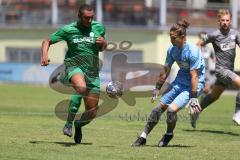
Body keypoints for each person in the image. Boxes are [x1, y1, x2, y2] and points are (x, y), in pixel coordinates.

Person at [131, 20, 205, 147]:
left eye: (173, 37)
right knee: (157, 109)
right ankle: (143, 137)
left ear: (183, 37)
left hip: (193, 85)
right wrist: (157, 88)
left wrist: (193, 97)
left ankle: (168, 134)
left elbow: (194, 76)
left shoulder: (193, 51)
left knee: (171, 111)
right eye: (170, 37)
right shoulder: (172, 50)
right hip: (179, 82)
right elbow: (165, 70)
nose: (171, 40)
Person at [41, 4, 107, 144]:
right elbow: (47, 41)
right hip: (74, 65)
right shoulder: (68, 29)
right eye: (86, 18)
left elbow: (101, 48)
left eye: (91, 18)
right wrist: (44, 55)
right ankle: (69, 123)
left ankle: (78, 125)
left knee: (92, 113)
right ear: (79, 16)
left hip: (92, 72)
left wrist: (103, 43)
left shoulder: (99, 27)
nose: (89, 21)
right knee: (81, 87)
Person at [190, 9, 240, 128]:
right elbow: (199, 43)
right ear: (219, 21)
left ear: (230, 21)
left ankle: (196, 111)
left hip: (229, 70)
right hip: (221, 70)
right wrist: (198, 58)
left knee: (214, 96)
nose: (225, 22)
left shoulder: (235, 34)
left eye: (227, 20)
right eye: (222, 20)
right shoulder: (214, 35)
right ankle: (238, 113)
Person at [197, 32, 216, 98]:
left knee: (207, 88)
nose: (203, 40)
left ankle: (201, 104)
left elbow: (214, 58)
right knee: (195, 89)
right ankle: (192, 101)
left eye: (205, 38)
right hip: (197, 71)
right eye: (201, 38)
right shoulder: (195, 48)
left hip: (206, 71)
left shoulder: (209, 49)